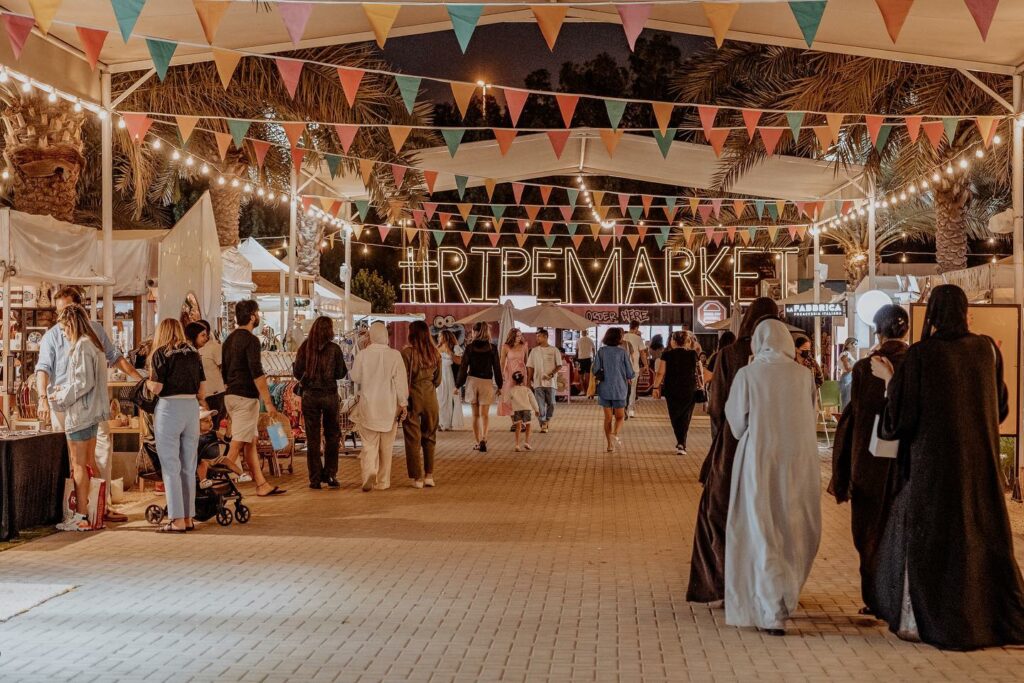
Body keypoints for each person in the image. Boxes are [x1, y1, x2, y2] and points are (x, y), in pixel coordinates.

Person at [870, 285, 1024, 650]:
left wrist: (891, 383)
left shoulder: (923, 355)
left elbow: (900, 421)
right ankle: (987, 616)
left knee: (934, 540)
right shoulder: (985, 350)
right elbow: (999, 409)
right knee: (979, 533)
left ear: (933, 314)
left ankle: (938, 616)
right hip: (980, 465)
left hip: (933, 468)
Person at [724, 318, 821, 636]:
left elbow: (737, 424)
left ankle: (769, 609)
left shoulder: (748, 374)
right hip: (799, 464)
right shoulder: (804, 376)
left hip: (759, 460)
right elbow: (809, 416)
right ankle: (784, 599)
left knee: (762, 530)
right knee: (793, 530)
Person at [687, 296, 779, 604]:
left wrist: (720, 438)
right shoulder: (786, 359)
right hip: (773, 446)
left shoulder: (729, 354)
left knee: (719, 512)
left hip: (732, 442)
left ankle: (722, 584)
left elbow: (718, 407)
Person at [829, 304, 909, 617]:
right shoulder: (915, 363)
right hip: (905, 460)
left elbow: (857, 419)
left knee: (869, 530)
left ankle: (874, 598)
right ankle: (900, 595)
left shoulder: (864, 367)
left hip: (870, 460)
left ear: (877, 331)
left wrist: (848, 468)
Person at [37, 286, 141, 524]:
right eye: (59, 312)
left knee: (86, 460)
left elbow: (96, 372)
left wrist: (138, 377)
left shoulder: (87, 339)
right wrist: (44, 397)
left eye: (67, 312)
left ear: (77, 310)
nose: (62, 319)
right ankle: (86, 509)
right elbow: (43, 368)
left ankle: (87, 511)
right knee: (82, 459)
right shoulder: (56, 336)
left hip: (79, 406)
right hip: (77, 406)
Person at [48, 305, 110, 532]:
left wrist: (61, 396)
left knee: (78, 465)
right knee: (89, 463)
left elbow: (83, 382)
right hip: (91, 413)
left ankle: (82, 515)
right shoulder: (94, 344)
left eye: (64, 329)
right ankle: (94, 511)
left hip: (81, 413)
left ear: (71, 324)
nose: (63, 334)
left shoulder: (83, 345)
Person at [146, 319, 206, 533]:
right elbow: (202, 390)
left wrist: (146, 382)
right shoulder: (193, 353)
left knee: (171, 466)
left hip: (169, 408)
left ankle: (177, 519)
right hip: (191, 408)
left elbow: (158, 386)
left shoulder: (160, 353)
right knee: (189, 466)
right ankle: (189, 517)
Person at [222, 300, 286, 497]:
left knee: (250, 442)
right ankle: (218, 484)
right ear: (251, 316)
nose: (258, 316)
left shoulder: (229, 340)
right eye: (257, 313)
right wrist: (268, 402)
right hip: (245, 398)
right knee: (237, 444)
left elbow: (223, 370)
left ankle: (261, 484)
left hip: (231, 395)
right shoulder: (251, 341)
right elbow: (256, 372)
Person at [351, 322, 408, 492]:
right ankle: (383, 481)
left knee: (369, 444)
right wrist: (403, 403)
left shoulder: (363, 355)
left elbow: (355, 377)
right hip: (389, 407)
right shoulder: (395, 355)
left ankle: (370, 471)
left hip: (368, 406)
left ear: (371, 336)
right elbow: (401, 383)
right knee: (386, 447)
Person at [293, 316, 347, 490]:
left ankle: (314, 478)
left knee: (313, 438)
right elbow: (341, 373)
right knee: (332, 436)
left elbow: (297, 371)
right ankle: (330, 474)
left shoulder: (305, 347)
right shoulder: (335, 349)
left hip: (310, 396)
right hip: (330, 395)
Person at [402, 320, 441, 489]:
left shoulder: (407, 353)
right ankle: (429, 475)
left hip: (413, 398)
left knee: (412, 438)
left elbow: (402, 379)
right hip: (431, 398)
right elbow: (438, 380)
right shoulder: (435, 353)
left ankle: (417, 477)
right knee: (430, 437)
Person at [456, 322, 503, 453]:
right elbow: (497, 368)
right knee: (485, 415)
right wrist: (500, 385)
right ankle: (484, 438)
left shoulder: (470, 348)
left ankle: (477, 442)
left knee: (475, 416)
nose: (471, 333)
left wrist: (458, 384)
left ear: (476, 332)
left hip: (472, 381)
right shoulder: (492, 348)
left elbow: (463, 367)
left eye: (472, 331)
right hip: (486, 382)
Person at [652, 331, 699, 456]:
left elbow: (660, 373)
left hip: (672, 388)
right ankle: (682, 442)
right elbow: (699, 373)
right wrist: (702, 387)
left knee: (675, 415)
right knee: (686, 415)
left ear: (673, 341)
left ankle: (680, 441)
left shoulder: (667, 354)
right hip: (690, 388)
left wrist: (655, 387)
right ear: (687, 341)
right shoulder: (693, 354)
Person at [592, 327, 635, 453]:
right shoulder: (622, 352)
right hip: (619, 388)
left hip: (604, 388)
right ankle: (615, 433)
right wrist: (630, 376)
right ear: (618, 338)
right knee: (620, 416)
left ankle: (609, 444)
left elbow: (595, 369)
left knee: (608, 418)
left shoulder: (601, 351)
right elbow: (629, 372)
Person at [188, 320, 225, 428]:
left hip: (215, 394)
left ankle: (214, 444)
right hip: (197, 396)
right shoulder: (190, 350)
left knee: (213, 425)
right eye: (202, 334)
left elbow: (224, 368)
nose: (205, 337)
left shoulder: (214, 347)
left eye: (205, 334)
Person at [526, 329, 562, 433]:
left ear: (546, 337)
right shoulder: (534, 351)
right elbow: (530, 367)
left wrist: (551, 374)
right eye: (537, 336)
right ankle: (543, 423)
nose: (537, 338)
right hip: (538, 382)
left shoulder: (554, 350)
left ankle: (547, 419)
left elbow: (559, 365)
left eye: (539, 336)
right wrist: (528, 381)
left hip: (551, 383)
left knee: (551, 403)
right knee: (539, 405)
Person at [436, 330, 464, 431]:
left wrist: (450, 353)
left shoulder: (455, 347)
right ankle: (441, 422)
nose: (439, 338)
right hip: (440, 375)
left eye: (440, 336)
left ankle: (448, 423)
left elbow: (460, 361)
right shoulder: (437, 348)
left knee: (450, 399)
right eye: (439, 336)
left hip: (450, 374)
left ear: (446, 336)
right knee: (441, 399)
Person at [499, 328, 529, 421]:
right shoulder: (505, 347)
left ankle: (522, 421)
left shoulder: (524, 346)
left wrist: (528, 376)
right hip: (510, 374)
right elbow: (502, 362)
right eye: (517, 336)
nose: (519, 337)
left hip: (522, 373)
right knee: (510, 397)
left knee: (521, 397)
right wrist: (500, 374)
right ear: (512, 336)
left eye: (520, 335)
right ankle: (514, 421)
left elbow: (527, 361)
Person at [507, 371, 540, 452]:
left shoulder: (512, 390)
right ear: (523, 380)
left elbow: (506, 400)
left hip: (517, 410)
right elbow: (533, 400)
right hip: (527, 409)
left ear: (514, 381)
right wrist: (537, 410)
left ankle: (517, 445)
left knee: (518, 427)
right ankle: (527, 442)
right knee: (528, 425)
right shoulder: (527, 390)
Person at [623, 321, 647, 417]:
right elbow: (642, 353)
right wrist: (646, 365)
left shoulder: (623, 337)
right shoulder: (638, 338)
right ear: (637, 328)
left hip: (622, 368)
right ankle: (631, 410)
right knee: (632, 389)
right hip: (634, 368)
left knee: (622, 388)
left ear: (629, 327)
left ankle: (621, 408)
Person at [838, 337, 859, 409]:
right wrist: (858, 365)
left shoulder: (848, 354)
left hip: (849, 377)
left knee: (849, 400)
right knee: (846, 401)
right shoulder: (845, 354)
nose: (855, 346)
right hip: (846, 378)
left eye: (856, 344)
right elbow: (847, 368)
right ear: (848, 344)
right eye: (854, 344)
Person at [576, 329, 596, 397]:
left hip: (580, 359)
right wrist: (594, 357)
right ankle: (588, 391)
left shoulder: (578, 340)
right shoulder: (590, 340)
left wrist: (576, 359)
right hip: (588, 359)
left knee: (581, 376)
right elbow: (593, 350)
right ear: (587, 333)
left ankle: (583, 391)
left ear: (582, 333)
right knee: (588, 377)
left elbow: (576, 350)